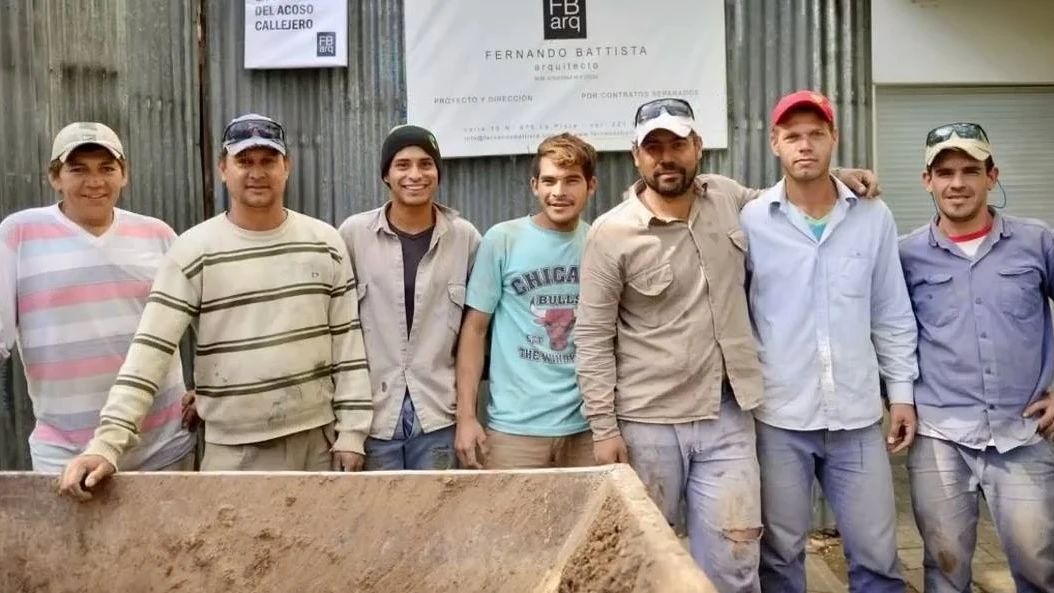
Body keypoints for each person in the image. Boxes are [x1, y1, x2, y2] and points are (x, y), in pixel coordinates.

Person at [574, 96, 880, 593]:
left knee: (737, 563)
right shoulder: (612, 234)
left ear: (698, 147)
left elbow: (791, 199)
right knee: (640, 560)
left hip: (728, 418)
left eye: (678, 144)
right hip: (647, 423)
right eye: (654, 147)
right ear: (636, 155)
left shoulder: (729, 198)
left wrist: (837, 174)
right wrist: (604, 428)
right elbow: (591, 336)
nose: (666, 157)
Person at [58, 113, 373, 499]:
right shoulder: (194, 251)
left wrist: (353, 433)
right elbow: (150, 350)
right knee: (235, 559)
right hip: (235, 453)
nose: (256, 172)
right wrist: (107, 443)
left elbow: (347, 344)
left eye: (267, 160)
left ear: (286, 167)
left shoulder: (325, 242)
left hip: (318, 446)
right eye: (244, 161)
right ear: (224, 168)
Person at [738, 90, 918, 593]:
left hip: (858, 419)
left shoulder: (872, 216)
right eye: (792, 135)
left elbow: (890, 311)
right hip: (779, 418)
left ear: (833, 139)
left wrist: (900, 393)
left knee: (879, 560)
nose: (805, 145)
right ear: (774, 142)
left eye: (816, 134)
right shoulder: (751, 220)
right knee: (778, 557)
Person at [898, 122, 1054, 593]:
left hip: (1021, 433)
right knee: (944, 568)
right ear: (928, 180)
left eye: (970, 170)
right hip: (940, 437)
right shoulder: (906, 256)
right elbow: (889, 333)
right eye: (945, 172)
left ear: (993, 175)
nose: (958, 183)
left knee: (1039, 566)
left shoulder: (1036, 242)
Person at [0, 122, 196, 474]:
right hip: (65, 452)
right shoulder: (18, 234)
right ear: (55, 177)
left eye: (107, 169)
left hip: (162, 447)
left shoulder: (158, 235)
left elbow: (204, 319)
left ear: (124, 175)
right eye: (78, 169)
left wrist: (211, 390)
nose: (95, 182)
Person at [338, 124, 480, 470]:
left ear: (438, 173)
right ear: (386, 174)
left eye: (425, 164)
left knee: (437, 519)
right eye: (402, 165)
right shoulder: (354, 235)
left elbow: (475, 333)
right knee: (373, 522)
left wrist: (466, 417)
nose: (415, 174)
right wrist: (347, 428)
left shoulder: (465, 239)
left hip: (438, 419)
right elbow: (336, 331)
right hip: (372, 419)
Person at [454, 133, 597, 469]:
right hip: (514, 431)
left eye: (571, 181)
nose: (559, 192)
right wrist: (466, 418)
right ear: (534, 185)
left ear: (591, 185)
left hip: (586, 428)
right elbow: (474, 331)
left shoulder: (599, 243)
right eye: (549, 181)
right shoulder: (503, 240)